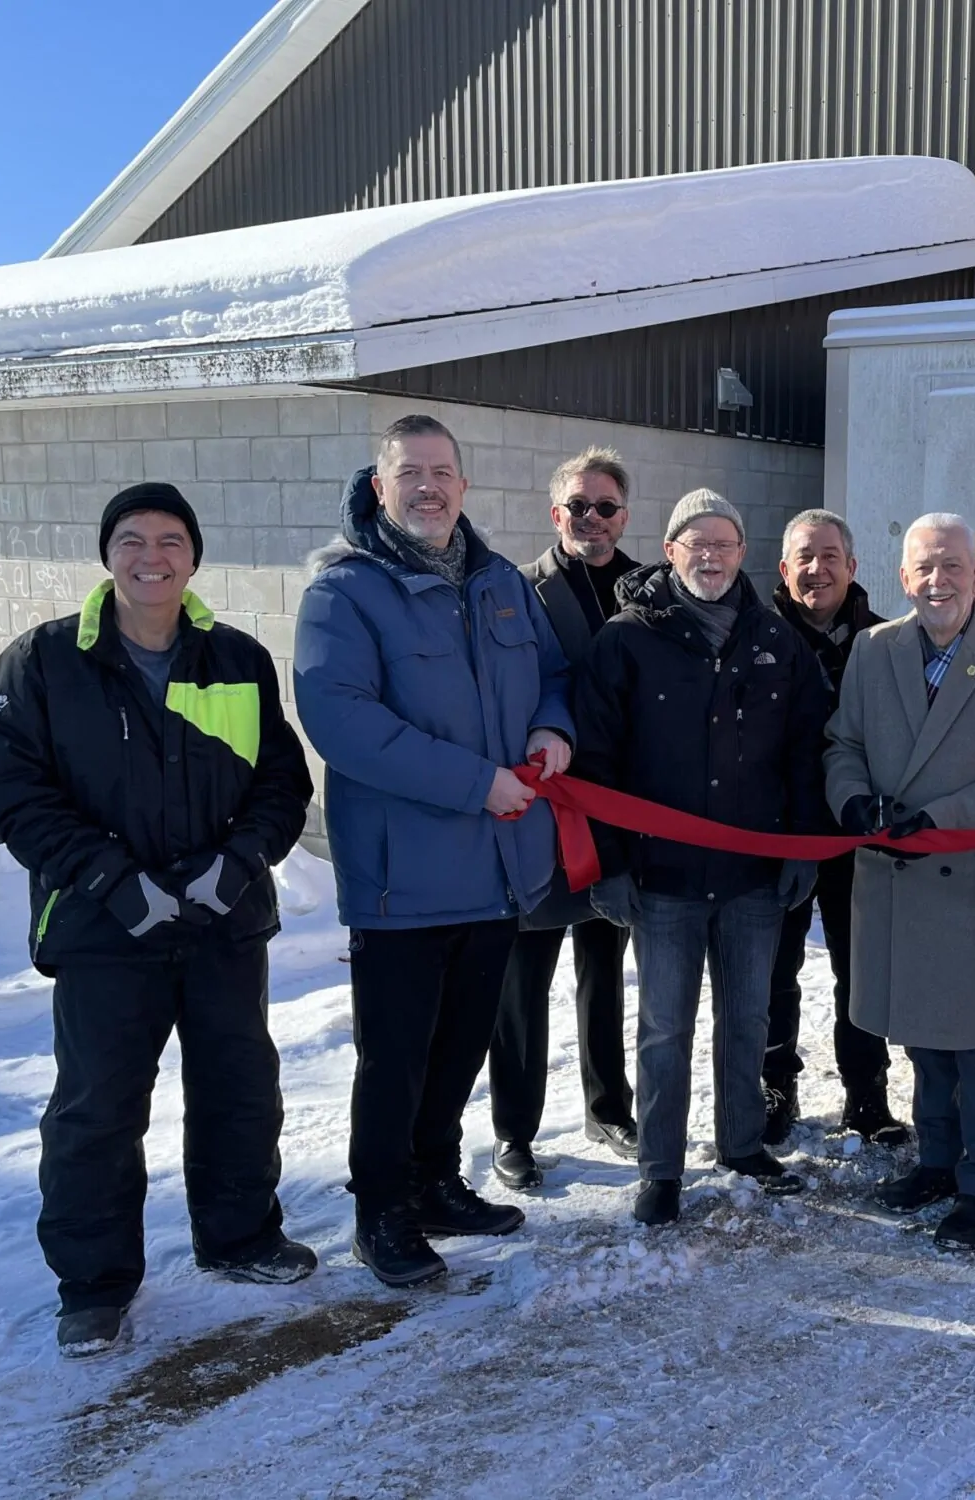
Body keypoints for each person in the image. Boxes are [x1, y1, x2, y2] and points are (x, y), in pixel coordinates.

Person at [0, 482, 315, 1357]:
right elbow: (6, 792)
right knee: (97, 1108)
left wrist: (237, 864)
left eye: (169, 539)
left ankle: (239, 1237)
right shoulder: (42, 662)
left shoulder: (236, 657)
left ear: (194, 557)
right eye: (132, 539)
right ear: (106, 553)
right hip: (101, 929)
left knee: (239, 1087)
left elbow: (282, 781)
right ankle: (94, 1284)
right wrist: (112, 880)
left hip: (221, 922)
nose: (150, 556)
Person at [294, 415, 575, 1288]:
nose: (428, 486)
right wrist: (476, 783)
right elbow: (343, 721)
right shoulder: (344, 592)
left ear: (464, 486)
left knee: (459, 1050)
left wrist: (550, 728)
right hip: (403, 880)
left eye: (443, 472)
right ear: (380, 487)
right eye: (409, 472)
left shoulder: (500, 582)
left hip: (497, 873)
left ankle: (433, 1181)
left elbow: (557, 674)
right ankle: (379, 1210)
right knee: (398, 1056)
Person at [571, 489, 830, 1227]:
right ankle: (661, 1168)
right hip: (663, 880)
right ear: (671, 548)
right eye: (696, 543)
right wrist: (610, 864)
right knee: (664, 1029)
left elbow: (808, 754)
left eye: (724, 543)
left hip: (754, 881)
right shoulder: (626, 640)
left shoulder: (779, 641)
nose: (710, 556)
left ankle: (743, 1143)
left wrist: (803, 847)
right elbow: (595, 758)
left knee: (749, 1018)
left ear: (743, 553)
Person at [826, 513, 975, 1252]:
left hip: (974, 882)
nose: (939, 581)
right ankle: (935, 1161)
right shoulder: (873, 650)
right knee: (923, 1036)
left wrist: (934, 817)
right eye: (925, 568)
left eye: (954, 567)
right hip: (897, 881)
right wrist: (853, 799)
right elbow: (846, 743)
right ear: (903, 577)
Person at [488, 448, 645, 1187]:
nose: (591, 518)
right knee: (522, 977)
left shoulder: (654, 587)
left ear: (625, 513)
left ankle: (608, 1106)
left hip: (622, 810)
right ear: (556, 515)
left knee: (604, 969)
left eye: (604, 506)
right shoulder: (516, 592)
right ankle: (513, 1130)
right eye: (576, 506)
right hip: (544, 810)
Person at [760, 508, 909, 1147]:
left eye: (829, 557)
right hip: (775, 832)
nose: (816, 569)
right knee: (773, 969)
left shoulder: (889, 644)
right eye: (804, 557)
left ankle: (867, 1093)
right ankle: (775, 1086)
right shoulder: (754, 637)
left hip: (858, 837)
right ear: (783, 567)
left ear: (852, 566)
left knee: (863, 967)